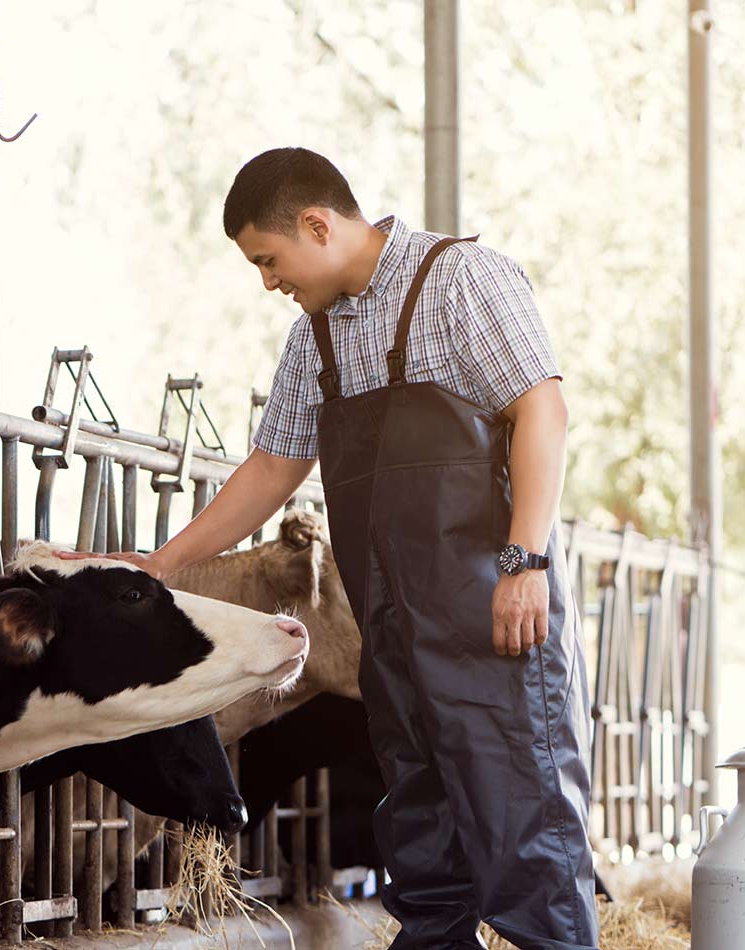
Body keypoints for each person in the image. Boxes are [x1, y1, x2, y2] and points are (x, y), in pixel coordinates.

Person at [63, 147, 596, 949]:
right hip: (396, 630)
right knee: (423, 845)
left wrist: (525, 562)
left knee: (528, 832)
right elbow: (274, 465)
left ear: (317, 224)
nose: (269, 282)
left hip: (496, 616)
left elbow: (543, 413)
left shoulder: (461, 281)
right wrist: (163, 564)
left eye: (269, 261)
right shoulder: (314, 340)